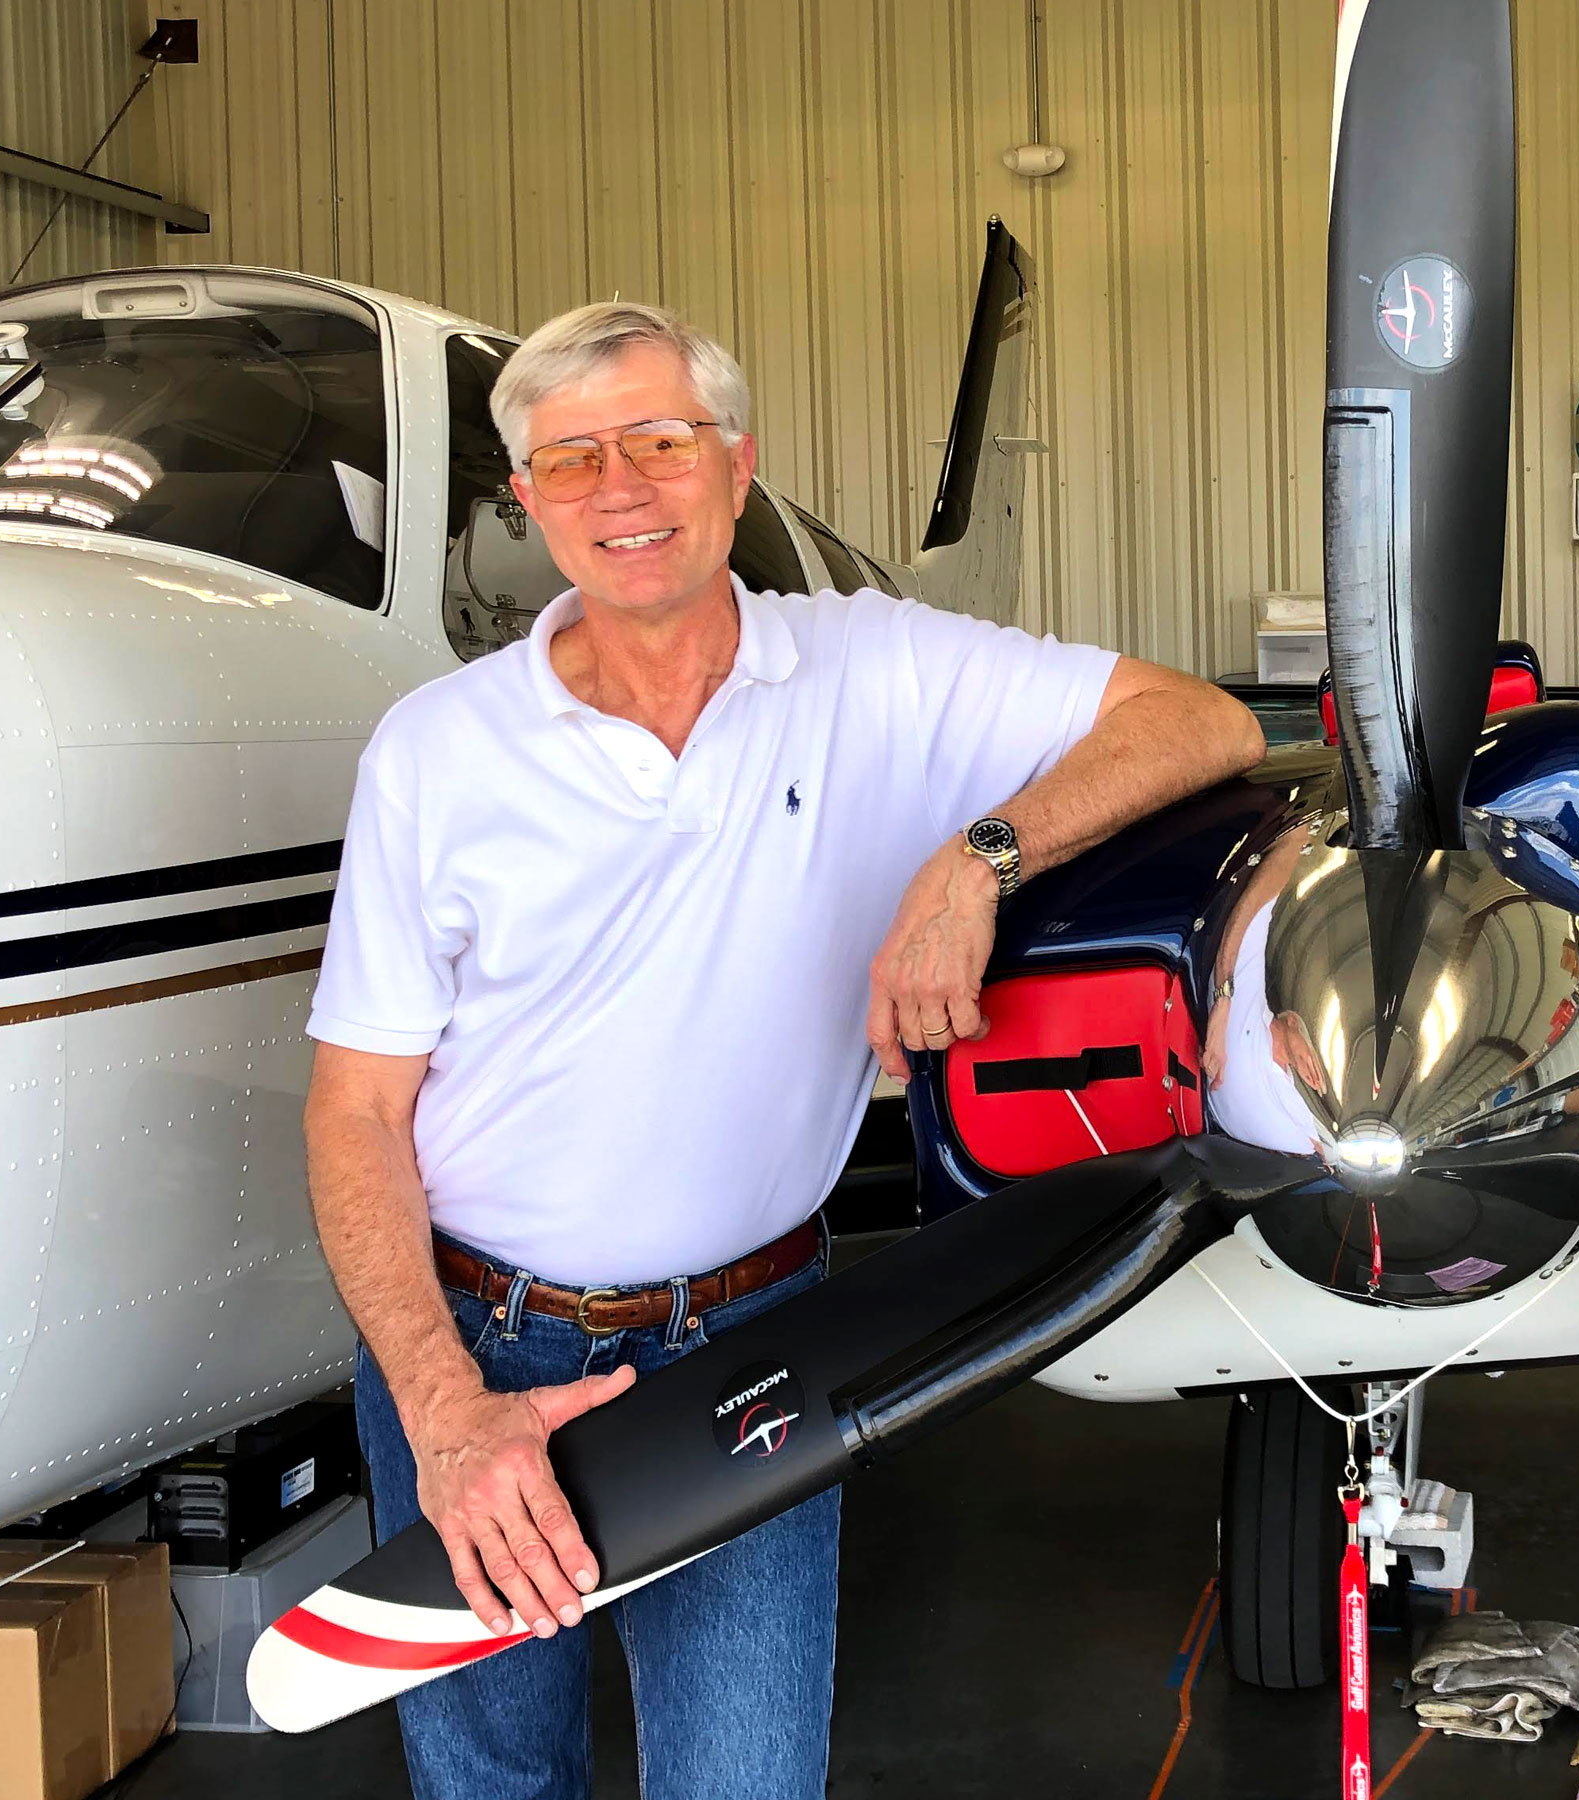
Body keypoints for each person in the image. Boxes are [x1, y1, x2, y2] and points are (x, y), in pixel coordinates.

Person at [302, 300, 1264, 1800]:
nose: (622, 491)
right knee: (490, 1783)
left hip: (747, 1351)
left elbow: (1199, 722)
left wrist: (979, 860)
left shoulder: (875, 669)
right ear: (527, 503)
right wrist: (443, 1406)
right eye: (572, 461)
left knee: (744, 1781)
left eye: (659, 443)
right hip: (477, 1343)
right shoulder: (435, 750)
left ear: (737, 466)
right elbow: (356, 1111)